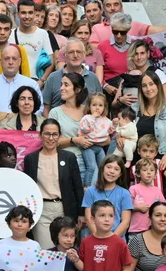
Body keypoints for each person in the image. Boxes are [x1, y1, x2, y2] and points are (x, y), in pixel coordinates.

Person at [23, 119, 84, 248]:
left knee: (65, 250)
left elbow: (77, 187)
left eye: (54, 134)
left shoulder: (69, 157)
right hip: (41, 211)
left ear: (59, 136)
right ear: (40, 135)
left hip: (64, 209)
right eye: (47, 134)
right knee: (46, 250)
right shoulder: (31, 159)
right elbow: (26, 188)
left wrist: (81, 213)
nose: (51, 138)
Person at [131, 71, 166, 172]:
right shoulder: (134, 108)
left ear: (158, 85)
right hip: (136, 161)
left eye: (151, 84)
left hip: (161, 161)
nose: (148, 89)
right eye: (144, 86)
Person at [0, 45, 40, 127]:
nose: (10, 62)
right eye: (7, 58)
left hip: (24, 130)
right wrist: (1, 119)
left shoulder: (31, 84)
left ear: (19, 61)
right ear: (0, 61)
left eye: (14, 59)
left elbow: (38, 108)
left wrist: (21, 121)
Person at [82, 155, 133, 239]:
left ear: (120, 174)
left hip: (116, 239)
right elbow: (88, 218)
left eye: (116, 169)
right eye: (109, 167)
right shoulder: (90, 191)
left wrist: (110, 240)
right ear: (102, 169)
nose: (112, 171)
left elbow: (125, 221)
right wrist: (99, 237)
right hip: (95, 238)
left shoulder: (125, 193)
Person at [76, 93, 113, 187]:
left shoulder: (105, 120)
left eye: (100, 105)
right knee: (91, 166)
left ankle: (102, 184)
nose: (97, 108)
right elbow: (85, 129)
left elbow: (110, 131)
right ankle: (87, 185)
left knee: (103, 165)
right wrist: (93, 118)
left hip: (99, 147)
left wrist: (115, 124)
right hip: (88, 146)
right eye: (94, 105)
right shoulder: (87, 118)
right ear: (89, 106)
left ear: (104, 107)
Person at [128, 159, 166, 235]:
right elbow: (126, 207)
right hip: (136, 229)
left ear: (155, 175)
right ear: (138, 174)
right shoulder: (133, 189)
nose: (148, 172)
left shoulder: (157, 190)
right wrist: (138, 208)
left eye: (152, 170)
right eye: (144, 170)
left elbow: (164, 206)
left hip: (154, 229)